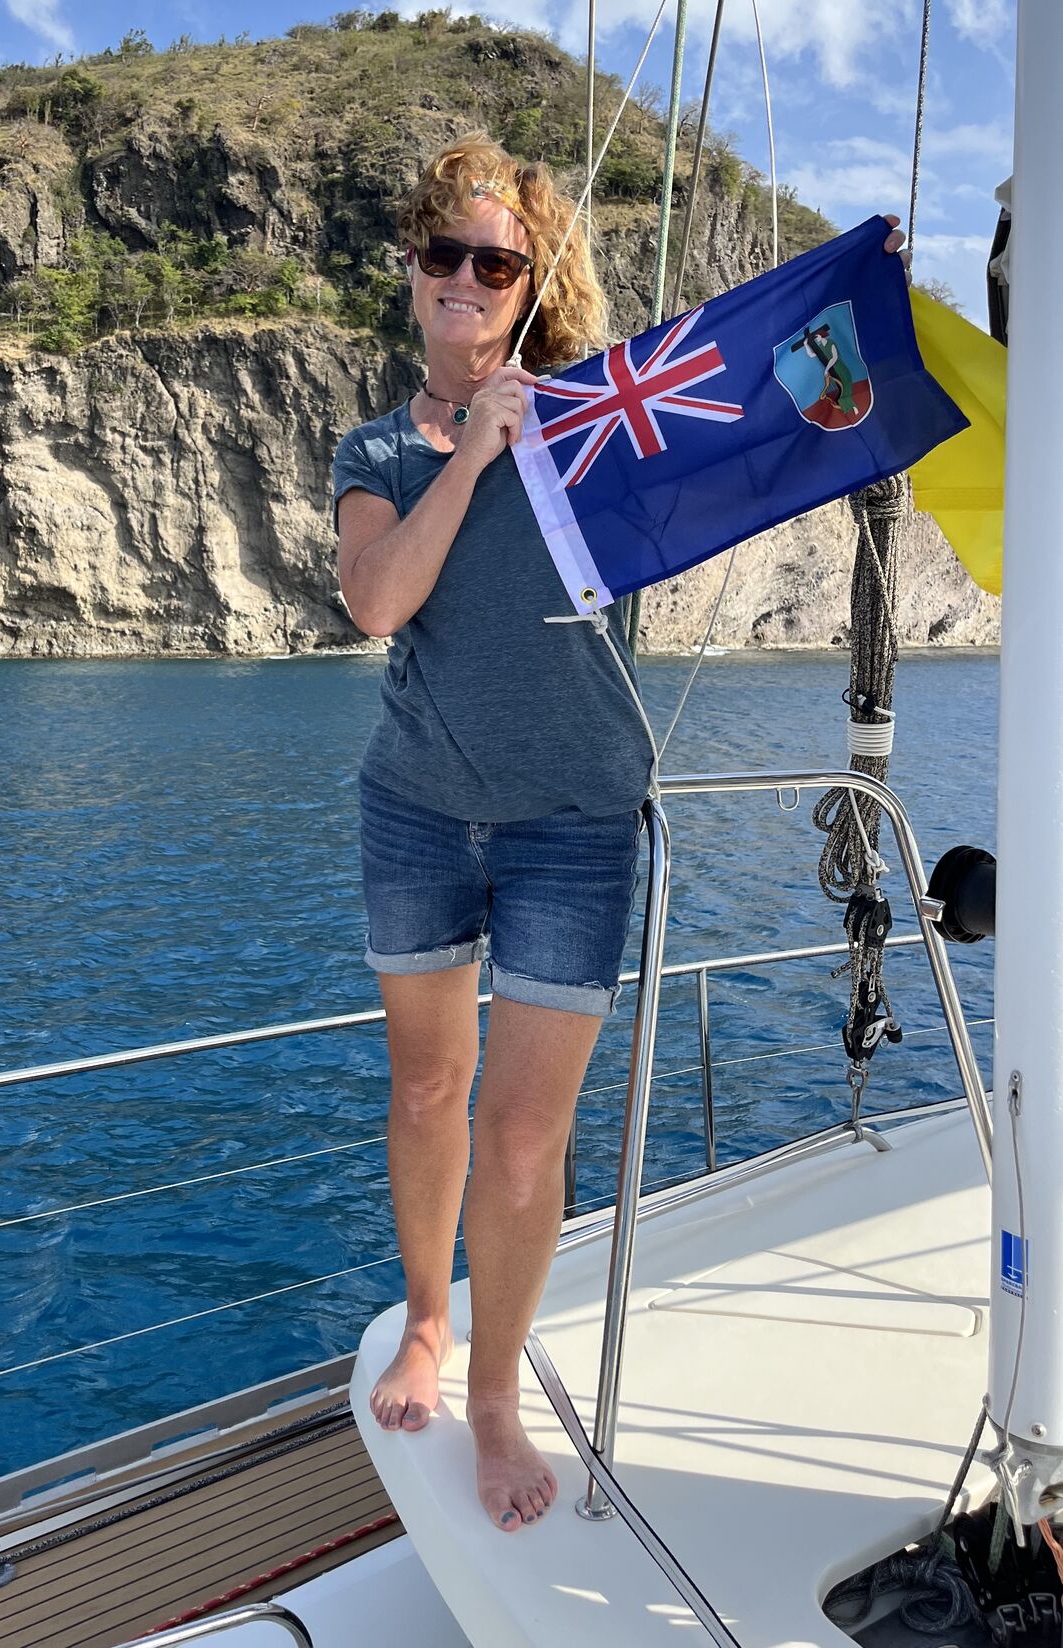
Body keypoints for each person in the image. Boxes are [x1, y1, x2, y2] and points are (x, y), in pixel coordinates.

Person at [332, 130, 907, 1534]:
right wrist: (469, 454)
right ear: (411, 274)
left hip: (575, 828)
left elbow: (758, 417)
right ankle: (424, 1322)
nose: (464, 279)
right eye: (443, 256)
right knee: (424, 1097)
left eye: (496, 262)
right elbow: (375, 603)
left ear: (531, 286)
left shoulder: (599, 435)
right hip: (418, 811)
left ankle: (491, 1399)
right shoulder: (374, 449)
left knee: (523, 1140)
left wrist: (863, 309)